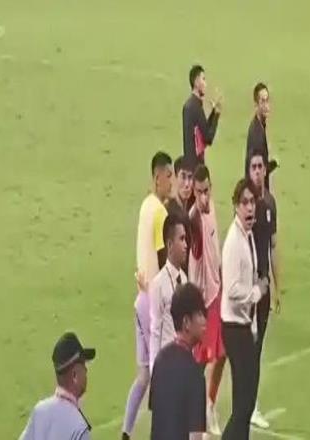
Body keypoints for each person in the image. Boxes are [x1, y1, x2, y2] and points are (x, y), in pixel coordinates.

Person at [121, 151, 173, 440]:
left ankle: (125, 433)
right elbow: (164, 260)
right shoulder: (160, 213)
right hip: (153, 302)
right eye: (169, 176)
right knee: (162, 376)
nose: (171, 182)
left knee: (143, 377)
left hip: (139, 299)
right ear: (157, 177)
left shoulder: (145, 206)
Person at [221, 178, 269, 440]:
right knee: (243, 405)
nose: (250, 208)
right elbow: (231, 289)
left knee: (246, 403)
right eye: (245, 203)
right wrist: (257, 292)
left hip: (243, 327)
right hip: (234, 328)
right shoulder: (234, 242)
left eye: (252, 202)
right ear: (236, 206)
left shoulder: (246, 236)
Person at [188, 164, 226, 435]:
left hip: (217, 292)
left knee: (223, 354)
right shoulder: (194, 220)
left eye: (206, 191)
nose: (203, 197)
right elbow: (197, 238)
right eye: (199, 192)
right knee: (199, 364)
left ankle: (210, 404)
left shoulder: (211, 207)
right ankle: (195, 416)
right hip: (201, 302)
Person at [247, 149, 280, 430]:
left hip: (265, 287)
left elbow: (273, 247)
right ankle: (249, 405)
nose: (258, 171)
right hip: (249, 289)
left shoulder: (270, 203)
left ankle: (251, 403)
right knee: (249, 347)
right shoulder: (247, 206)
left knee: (257, 348)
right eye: (254, 167)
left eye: (261, 167)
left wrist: (278, 287)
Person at [149, 282, 207, 440]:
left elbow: (157, 420)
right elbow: (195, 436)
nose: (205, 321)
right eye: (200, 315)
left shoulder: (160, 360)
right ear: (186, 322)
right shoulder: (195, 374)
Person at [19, 332, 96, 440]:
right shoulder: (79, 429)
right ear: (74, 375)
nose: (86, 370)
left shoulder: (39, 411)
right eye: (83, 365)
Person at [149, 214, 188, 372]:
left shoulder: (184, 279)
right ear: (170, 244)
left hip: (183, 362)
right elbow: (155, 330)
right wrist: (154, 372)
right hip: (167, 365)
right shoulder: (158, 284)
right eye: (182, 239)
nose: (186, 245)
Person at [182, 64, 222, 166]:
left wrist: (213, 112)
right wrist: (216, 115)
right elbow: (208, 138)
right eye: (203, 79)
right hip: (196, 166)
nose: (206, 84)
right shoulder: (195, 107)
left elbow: (203, 128)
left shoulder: (190, 105)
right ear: (196, 82)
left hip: (190, 164)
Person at [245, 83, 277, 189]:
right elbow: (255, 172)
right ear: (256, 105)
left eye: (267, 100)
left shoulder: (259, 126)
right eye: (262, 101)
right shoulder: (256, 134)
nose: (266, 106)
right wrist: (271, 165)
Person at [166, 155, 194, 271]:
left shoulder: (184, 211)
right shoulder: (174, 213)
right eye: (183, 177)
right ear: (175, 178)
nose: (187, 184)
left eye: (190, 178)